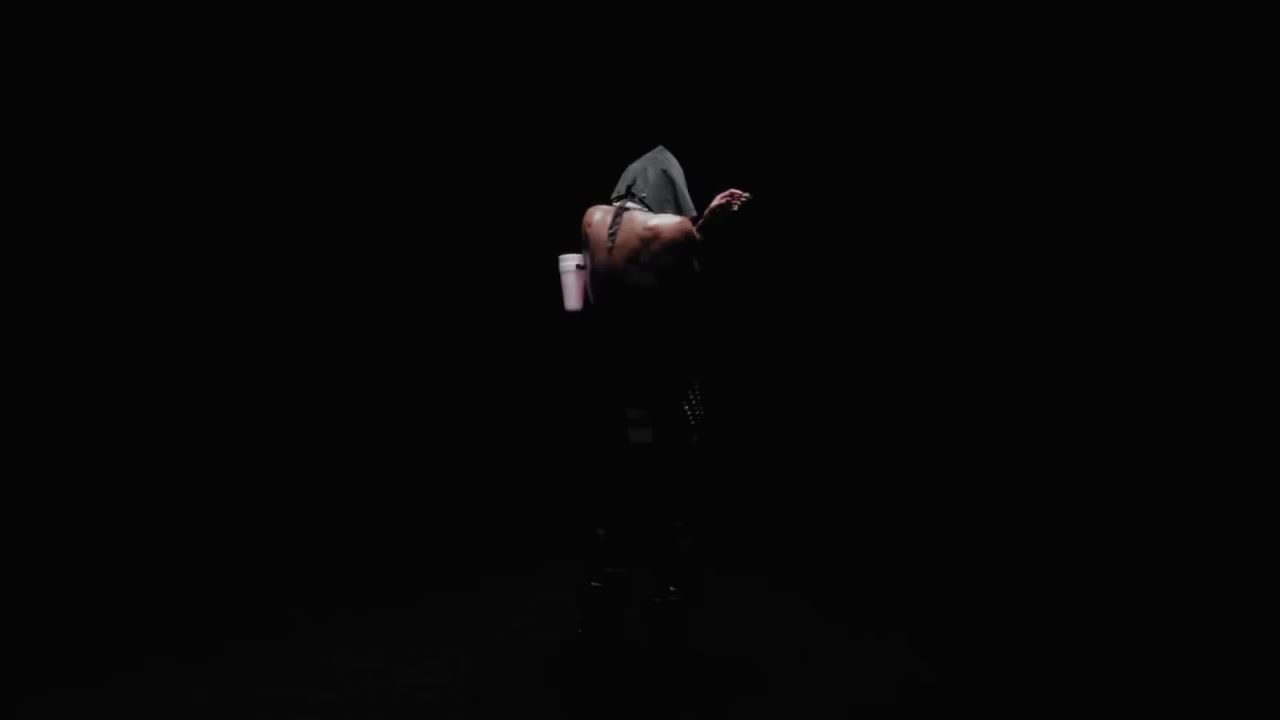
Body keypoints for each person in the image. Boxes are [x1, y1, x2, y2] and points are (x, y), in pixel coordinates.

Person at [568, 145, 749, 711]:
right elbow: (690, 269)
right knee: (674, 508)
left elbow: (605, 276)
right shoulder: (674, 230)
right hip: (662, 384)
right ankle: (667, 630)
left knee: (612, 508)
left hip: (609, 386)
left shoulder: (593, 218)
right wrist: (707, 223)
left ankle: (595, 629)